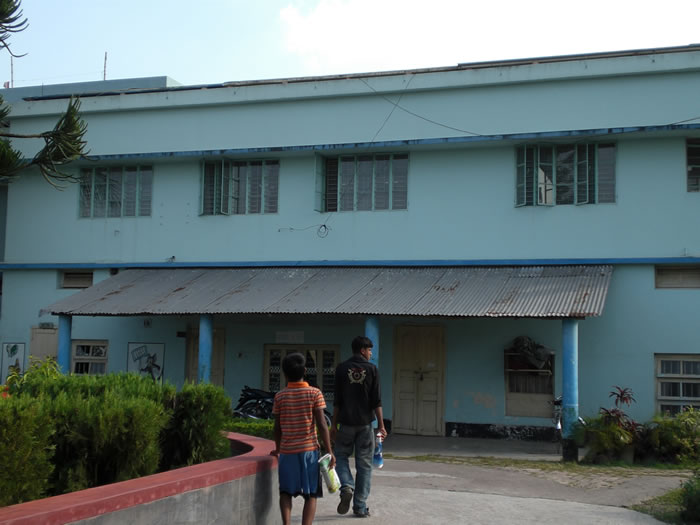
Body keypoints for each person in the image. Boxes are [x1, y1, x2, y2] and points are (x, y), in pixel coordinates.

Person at [271, 352, 335, 525]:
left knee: (285, 493)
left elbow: (277, 427)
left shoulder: (280, 396)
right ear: (305, 370)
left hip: (287, 452)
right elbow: (322, 425)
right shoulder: (315, 393)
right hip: (309, 452)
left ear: (284, 373)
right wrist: (329, 451)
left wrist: (278, 448)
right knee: (311, 494)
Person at [331, 335, 387, 518]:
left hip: (345, 423)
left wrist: (333, 425)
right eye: (370, 350)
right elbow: (376, 400)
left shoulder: (341, 368)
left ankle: (346, 485)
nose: (371, 353)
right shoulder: (372, 369)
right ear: (363, 350)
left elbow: (337, 401)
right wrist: (381, 425)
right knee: (364, 465)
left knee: (340, 456)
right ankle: (360, 507)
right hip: (364, 425)